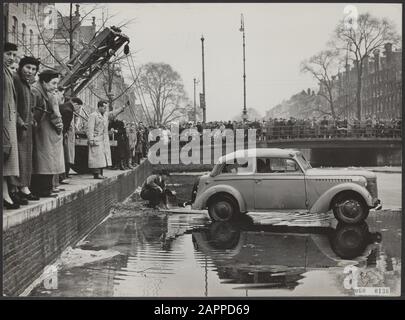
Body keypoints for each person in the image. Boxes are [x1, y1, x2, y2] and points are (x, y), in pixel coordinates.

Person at [10, 56, 41, 203]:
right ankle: (15, 189)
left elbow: (28, 106)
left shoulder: (26, 83)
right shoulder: (16, 80)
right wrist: (20, 121)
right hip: (17, 127)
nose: (30, 71)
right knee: (17, 159)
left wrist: (32, 119)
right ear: (21, 66)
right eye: (28, 67)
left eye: (34, 69)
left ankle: (23, 187)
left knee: (25, 158)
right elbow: (12, 104)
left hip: (26, 128)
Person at [31, 69, 65, 197]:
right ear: (44, 82)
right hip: (44, 130)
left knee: (43, 161)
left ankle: (45, 188)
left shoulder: (42, 90)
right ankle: (44, 189)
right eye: (53, 83)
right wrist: (59, 127)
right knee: (46, 161)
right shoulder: (43, 93)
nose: (55, 87)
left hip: (42, 130)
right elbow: (56, 114)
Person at [87, 100, 127, 179]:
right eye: (104, 107)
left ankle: (100, 173)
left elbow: (113, 113)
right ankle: (96, 174)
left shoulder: (105, 115)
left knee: (102, 157)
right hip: (96, 138)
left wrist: (122, 108)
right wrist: (91, 139)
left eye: (106, 107)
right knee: (96, 157)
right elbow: (90, 128)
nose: (106, 109)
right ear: (99, 107)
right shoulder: (93, 115)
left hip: (103, 139)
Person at [3, 42, 20, 209]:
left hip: (9, 122)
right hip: (4, 123)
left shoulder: (7, 72)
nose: (11, 58)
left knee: (7, 160)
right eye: (8, 54)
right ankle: (5, 195)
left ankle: (7, 192)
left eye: (14, 55)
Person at [59, 97, 83, 179]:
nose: (78, 109)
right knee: (66, 156)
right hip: (67, 137)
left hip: (70, 138)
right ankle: (64, 174)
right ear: (75, 104)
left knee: (69, 156)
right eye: (79, 107)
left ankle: (66, 173)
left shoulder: (71, 112)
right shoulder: (68, 111)